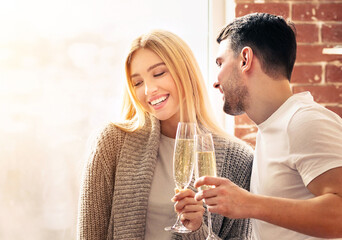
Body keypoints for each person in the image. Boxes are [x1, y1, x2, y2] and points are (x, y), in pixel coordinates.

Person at [77, 29, 253, 240]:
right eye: (137, 83)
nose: (149, 90)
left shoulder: (238, 158)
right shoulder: (111, 143)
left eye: (159, 73)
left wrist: (197, 230)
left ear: (185, 72)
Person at [194, 12, 342, 240]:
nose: (215, 80)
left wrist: (248, 204)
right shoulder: (272, 126)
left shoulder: (304, 121)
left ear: (245, 59)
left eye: (220, 63)